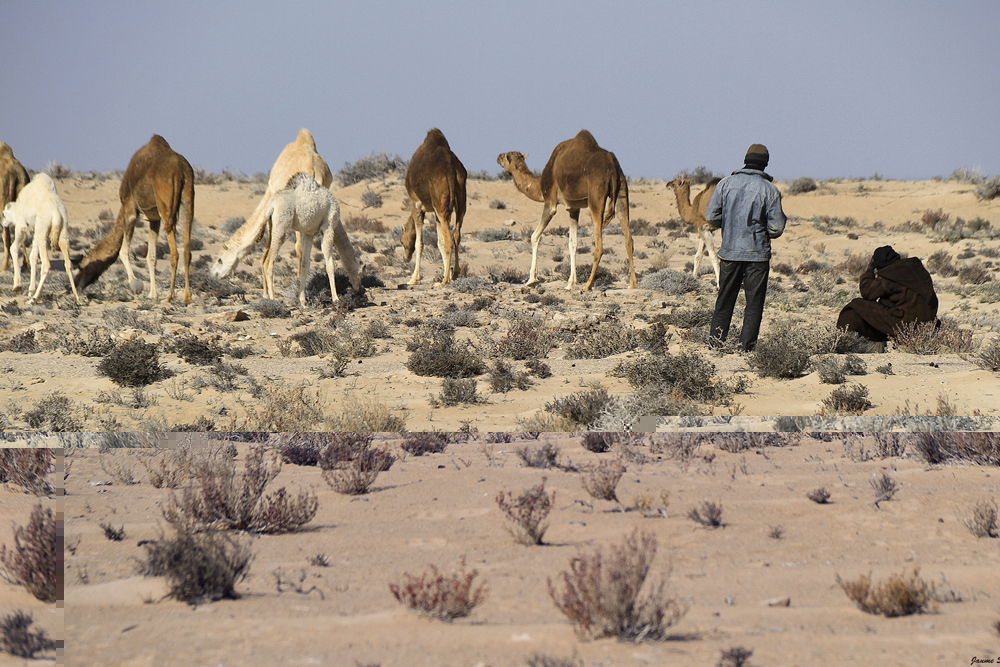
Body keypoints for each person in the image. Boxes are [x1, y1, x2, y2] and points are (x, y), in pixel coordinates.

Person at [705, 143, 787, 352]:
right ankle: (746, 347)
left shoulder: (725, 184)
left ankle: (716, 344)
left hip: (730, 252)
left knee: (724, 299)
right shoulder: (770, 190)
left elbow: (712, 217)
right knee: (754, 303)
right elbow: (777, 227)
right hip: (757, 255)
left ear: (745, 159)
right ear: (765, 164)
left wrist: (731, 224)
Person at [836, 245, 939, 344]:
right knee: (878, 309)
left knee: (854, 307)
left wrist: (869, 270)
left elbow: (867, 293)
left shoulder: (890, 275)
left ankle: (847, 342)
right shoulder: (917, 270)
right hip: (928, 323)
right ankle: (873, 343)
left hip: (906, 323)